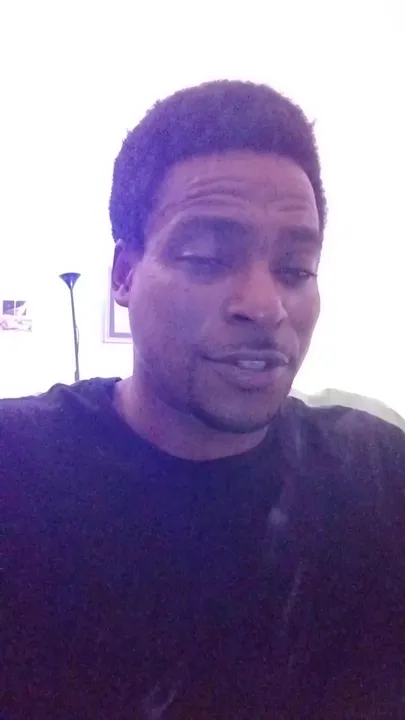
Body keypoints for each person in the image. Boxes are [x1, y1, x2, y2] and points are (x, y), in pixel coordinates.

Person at [1, 80, 404, 720]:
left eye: (296, 270)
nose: (265, 306)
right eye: (207, 258)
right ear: (125, 275)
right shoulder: (18, 469)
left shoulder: (377, 476)